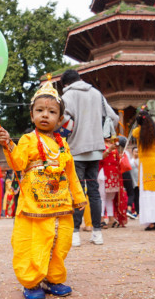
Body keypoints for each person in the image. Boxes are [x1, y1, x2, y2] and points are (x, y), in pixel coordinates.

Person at [0, 80, 87, 299]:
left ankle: (53, 278)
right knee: (34, 242)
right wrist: (8, 144)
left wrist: (78, 196)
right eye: (40, 110)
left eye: (51, 111)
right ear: (32, 115)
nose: (45, 115)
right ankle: (31, 281)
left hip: (62, 204)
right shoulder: (28, 140)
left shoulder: (63, 144)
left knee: (61, 242)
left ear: (59, 118)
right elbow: (18, 164)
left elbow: (71, 171)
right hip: (34, 206)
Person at [59, 69, 119, 247]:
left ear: (66, 84)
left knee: (76, 192)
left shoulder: (68, 96)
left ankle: (75, 234)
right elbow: (113, 118)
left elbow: (61, 120)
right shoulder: (96, 93)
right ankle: (97, 233)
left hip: (76, 149)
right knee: (94, 192)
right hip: (95, 150)